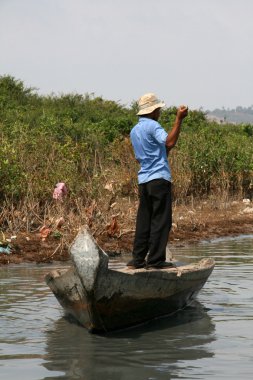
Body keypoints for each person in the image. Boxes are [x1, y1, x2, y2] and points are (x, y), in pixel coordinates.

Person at [127, 93, 188, 269]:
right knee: (161, 221)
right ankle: (155, 261)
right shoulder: (153, 126)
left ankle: (137, 260)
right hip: (159, 179)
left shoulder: (134, 130)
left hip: (144, 180)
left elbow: (142, 158)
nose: (159, 112)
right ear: (153, 111)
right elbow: (169, 143)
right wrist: (179, 120)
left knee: (144, 220)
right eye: (158, 110)